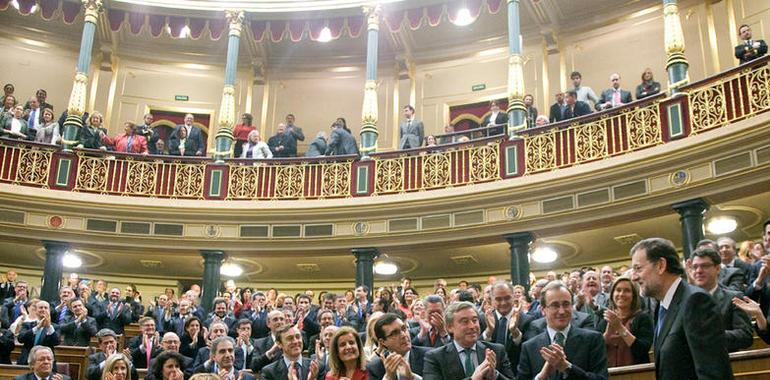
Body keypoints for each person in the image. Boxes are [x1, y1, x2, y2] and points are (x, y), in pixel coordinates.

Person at [629, 237, 731, 379]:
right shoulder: (661, 307)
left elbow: (713, 373)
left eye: (638, 268)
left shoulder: (696, 302)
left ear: (660, 265)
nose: (633, 277)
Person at [517, 281, 608, 379]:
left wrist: (567, 368)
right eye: (555, 305)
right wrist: (541, 377)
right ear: (543, 310)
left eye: (566, 304)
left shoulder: (593, 340)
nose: (561, 311)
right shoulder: (529, 347)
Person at [423, 301, 513, 379]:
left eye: (474, 320)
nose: (472, 326)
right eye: (465, 321)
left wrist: (494, 375)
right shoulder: (435, 357)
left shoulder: (496, 351)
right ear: (449, 327)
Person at [687, 247, 752, 352]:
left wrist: (711, 335)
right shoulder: (685, 301)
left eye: (704, 266)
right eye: (695, 267)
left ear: (717, 269)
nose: (698, 271)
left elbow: (745, 336)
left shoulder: (734, 298)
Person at [596, 277, 652, 366]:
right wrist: (607, 334)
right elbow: (595, 351)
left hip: (637, 373)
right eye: (618, 290)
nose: (621, 294)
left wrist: (620, 328)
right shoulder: (605, 319)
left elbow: (642, 349)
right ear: (612, 294)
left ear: (634, 295)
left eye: (627, 291)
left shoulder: (642, 318)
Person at [367, 313, 429, 380]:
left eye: (404, 328)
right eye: (394, 333)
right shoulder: (374, 368)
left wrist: (413, 377)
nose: (403, 335)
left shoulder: (428, 356)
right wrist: (388, 378)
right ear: (383, 342)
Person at [17, 300, 59, 365]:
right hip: (26, 361)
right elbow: (20, 339)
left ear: (49, 311)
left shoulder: (55, 327)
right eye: (41, 307)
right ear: (35, 311)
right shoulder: (27, 325)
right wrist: (37, 328)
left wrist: (48, 326)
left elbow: (56, 342)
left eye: (45, 308)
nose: (43, 309)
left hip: (46, 362)